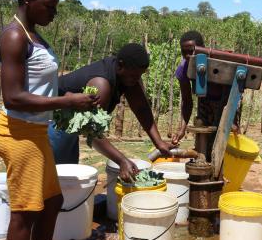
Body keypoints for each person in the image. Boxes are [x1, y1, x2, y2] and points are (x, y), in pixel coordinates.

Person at [0, 0, 98, 240]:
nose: (54, 12)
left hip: (35, 132)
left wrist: (70, 105)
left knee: (52, 202)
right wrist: (66, 100)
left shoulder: (33, 36)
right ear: (28, 1)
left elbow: (38, 88)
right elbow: (13, 97)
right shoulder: (14, 37)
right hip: (17, 133)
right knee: (25, 212)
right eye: (50, 5)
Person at [49, 43, 175, 182]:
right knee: (53, 179)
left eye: (140, 75)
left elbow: (141, 109)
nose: (136, 79)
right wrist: (121, 160)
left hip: (70, 129)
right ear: (120, 66)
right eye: (134, 75)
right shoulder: (101, 84)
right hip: (55, 126)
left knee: (65, 181)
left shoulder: (128, 76)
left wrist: (159, 142)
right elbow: (92, 132)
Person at [172, 31, 239, 161]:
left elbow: (234, 90)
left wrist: (232, 118)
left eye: (191, 51)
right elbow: (187, 101)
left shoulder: (219, 61)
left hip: (226, 101)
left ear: (202, 48)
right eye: (183, 51)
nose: (187, 56)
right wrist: (182, 128)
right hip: (204, 103)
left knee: (225, 144)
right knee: (204, 143)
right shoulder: (183, 69)